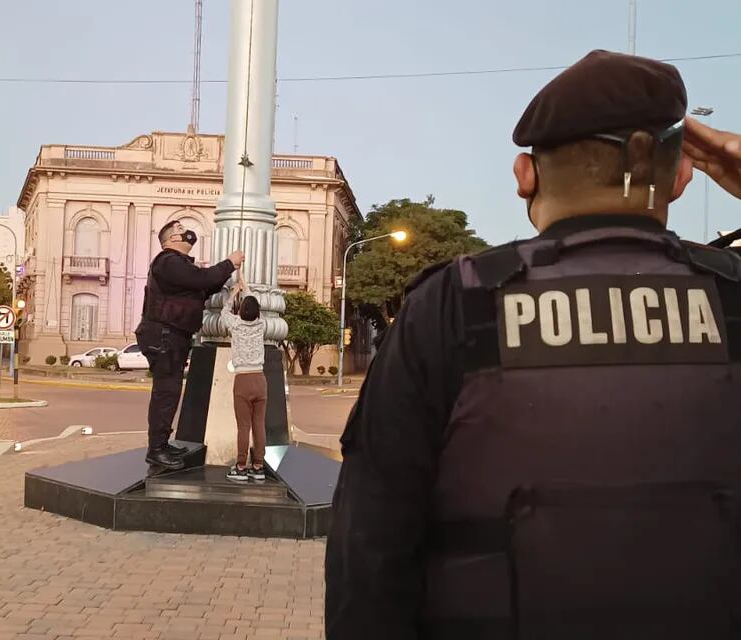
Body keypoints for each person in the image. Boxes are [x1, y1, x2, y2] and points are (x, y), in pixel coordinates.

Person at [325, 50, 741, 639]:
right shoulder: (732, 297)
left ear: (525, 173)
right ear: (680, 176)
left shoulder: (453, 304)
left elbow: (369, 548)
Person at [137, 220, 244, 470]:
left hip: (172, 335)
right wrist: (229, 263)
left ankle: (161, 445)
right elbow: (200, 279)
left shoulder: (180, 266)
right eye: (180, 229)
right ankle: (156, 450)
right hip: (164, 335)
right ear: (171, 240)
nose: (186, 231)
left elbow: (201, 287)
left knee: (169, 392)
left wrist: (225, 275)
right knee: (166, 392)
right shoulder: (168, 261)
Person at [220, 272, 268, 483]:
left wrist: (233, 293)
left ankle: (240, 466)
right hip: (260, 378)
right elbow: (253, 305)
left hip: (243, 380)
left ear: (241, 311)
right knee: (259, 424)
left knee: (243, 426)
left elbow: (223, 311)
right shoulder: (261, 325)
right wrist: (246, 287)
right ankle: (258, 466)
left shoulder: (235, 324)